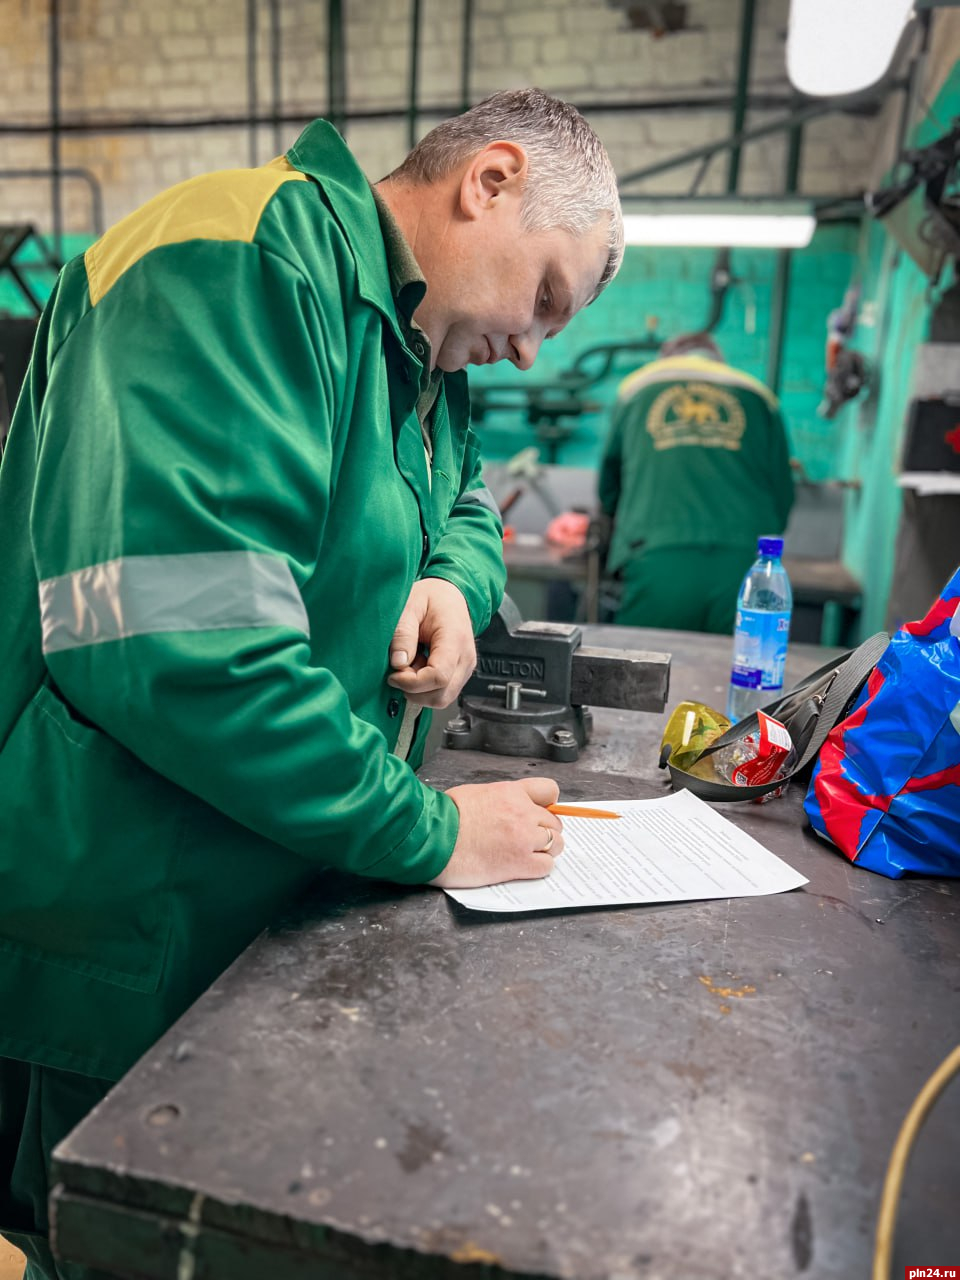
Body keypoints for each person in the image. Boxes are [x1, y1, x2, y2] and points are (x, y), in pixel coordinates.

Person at [0, 89, 623, 1279]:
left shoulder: (415, 342)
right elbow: (184, 647)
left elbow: (471, 494)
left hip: (269, 886)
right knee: (103, 1239)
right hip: (135, 908)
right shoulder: (238, 261)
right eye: (543, 295)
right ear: (488, 181)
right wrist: (436, 828)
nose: (534, 344)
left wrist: (449, 572)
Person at [597, 331, 794, 633]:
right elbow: (783, 492)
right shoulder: (758, 395)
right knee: (740, 670)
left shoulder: (636, 388)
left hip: (655, 554)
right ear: (717, 360)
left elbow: (609, 485)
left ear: (667, 357)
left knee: (643, 668)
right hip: (744, 564)